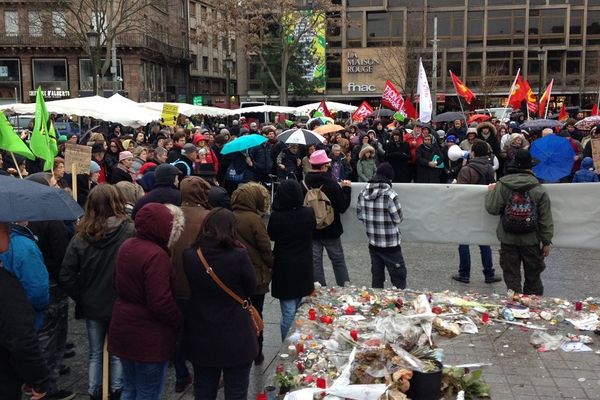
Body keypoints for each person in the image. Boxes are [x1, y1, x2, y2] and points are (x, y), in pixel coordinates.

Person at [60, 185, 135, 399]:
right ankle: (117, 389)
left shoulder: (80, 237)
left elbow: (66, 275)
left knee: (94, 353)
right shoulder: (130, 231)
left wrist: (82, 295)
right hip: (119, 301)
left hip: (92, 303)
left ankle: (94, 392)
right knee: (118, 352)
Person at [108, 203, 183, 400]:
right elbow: (160, 301)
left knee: (129, 389)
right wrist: (177, 320)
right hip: (148, 337)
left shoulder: (127, 245)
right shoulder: (156, 255)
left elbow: (116, 282)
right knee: (148, 392)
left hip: (123, 328)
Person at [183, 208, 258, 400]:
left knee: (204, 388)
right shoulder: (239, 255)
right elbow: (251, 286)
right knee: (236, 391)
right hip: (236, 332)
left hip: (202, 331)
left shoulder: (190, 255)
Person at [23, 174, 73, 400]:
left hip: (30, 282)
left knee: (40, 333)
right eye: (52, 185)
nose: (57, 187)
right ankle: (46, 387)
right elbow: (62, 255)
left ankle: (36, 380)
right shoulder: (51, 219)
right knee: (51, 337)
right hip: (52, 284)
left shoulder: (22, 217)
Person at [485, 149, 554, 295]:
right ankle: (533, 308)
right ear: (530, 167)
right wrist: (546, 241)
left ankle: (515, 307)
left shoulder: (502, 185)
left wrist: (491, 192)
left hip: (508, 238)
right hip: (531, 240)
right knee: (533, 277)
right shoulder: (539, 188)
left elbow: (492, 208)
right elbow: (545, 218)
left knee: (512, 278)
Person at [170, 176, 212, 393]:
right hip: (200, 284)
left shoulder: (170, 214)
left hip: (174, 284)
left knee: (178, 332)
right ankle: (202, 376)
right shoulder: (208, 217)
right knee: (201, 333)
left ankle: (181, 375)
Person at [0, 234, 50, 400]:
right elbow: (21, 340)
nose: (9, 233)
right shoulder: (5, 285)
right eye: (4, 228)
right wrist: (40, 379)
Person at [267, 180, 315, 340]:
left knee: (288, 310)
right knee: (302, 307)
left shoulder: (277, 216)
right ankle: (301, 340)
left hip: (284, 267)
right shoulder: (308, 213)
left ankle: (287, 345)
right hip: (304, 265)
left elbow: (272, 235)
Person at [231, 183, 272, 365]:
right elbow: (264, 246)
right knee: (257, 312)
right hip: (256, 274)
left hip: (234, 275)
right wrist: (271, 264)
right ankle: (257, 350)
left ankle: (239, 348)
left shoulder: (229, 216)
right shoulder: (254, 219)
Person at [452, 140, 502, 284]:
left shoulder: (466, 169)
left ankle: (464, 274)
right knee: (484, 242)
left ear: (472, 153)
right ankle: (489, 274)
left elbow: (461, 193)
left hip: (467, 210)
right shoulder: (489, 168)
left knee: (463, 242)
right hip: (483, 209)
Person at [305, 150, 351, 287]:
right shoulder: (331, 184)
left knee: (315, 263)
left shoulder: (304, 184)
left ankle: (319, 291)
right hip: (331, 229)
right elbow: (342, 206)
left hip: (312, 230)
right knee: (338, 261)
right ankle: (344, 289)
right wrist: (346, 189)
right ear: (324, 165)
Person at [356, 163, 407, 289]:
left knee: (377, 279)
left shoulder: (363, 193)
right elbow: (398, 219)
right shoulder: (390, 194)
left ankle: (377, 306)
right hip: (391, 245)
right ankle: (400, 305)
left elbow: (360, 216)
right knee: (399, 279)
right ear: (389, 178)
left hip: (373, 243)